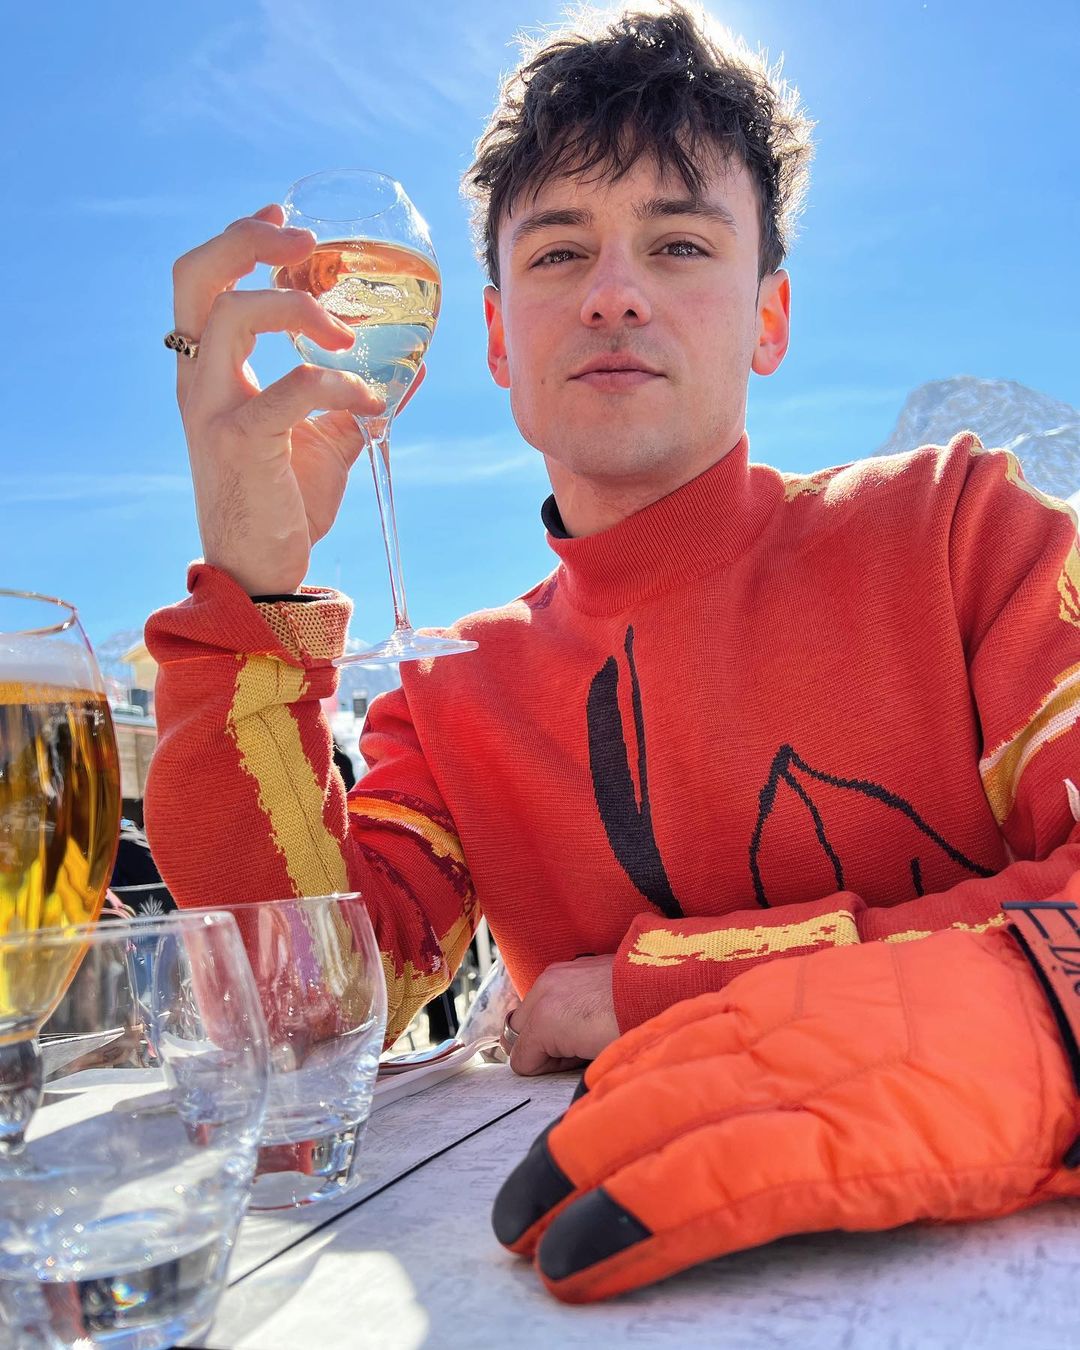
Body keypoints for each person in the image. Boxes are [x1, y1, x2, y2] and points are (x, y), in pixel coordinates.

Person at [146, 2, 1080, 1298]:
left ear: (769, 318)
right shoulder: (451, 693)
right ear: (492, 339)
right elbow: (307, 1015)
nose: (615, 290)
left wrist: (653, 986)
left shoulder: (972, 535)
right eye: (559, 250)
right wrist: (251, 587)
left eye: (681, 243)